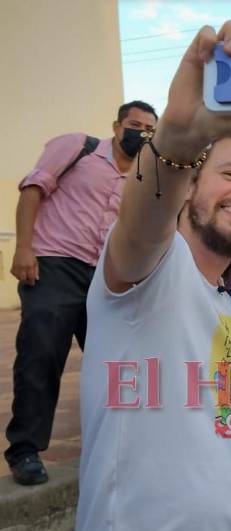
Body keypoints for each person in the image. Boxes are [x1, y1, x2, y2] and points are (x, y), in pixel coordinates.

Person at [67, 22, 231, 531]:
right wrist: (175, 136)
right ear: (190, 186)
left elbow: (225, 444)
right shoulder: (151, 268)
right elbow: (144, 218)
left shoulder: (225, 308)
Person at [5, 99, 157, 485]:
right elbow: (32, 190)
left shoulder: (143, 176)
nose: (140, 133)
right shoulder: (78, 147)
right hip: (55, 263)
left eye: (148, 129)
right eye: (134, 124)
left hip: (106, 276)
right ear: (117, 125)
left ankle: (120, 445)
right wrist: (24, 248)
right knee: (41, 352)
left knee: (116, 363)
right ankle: (25, 450)